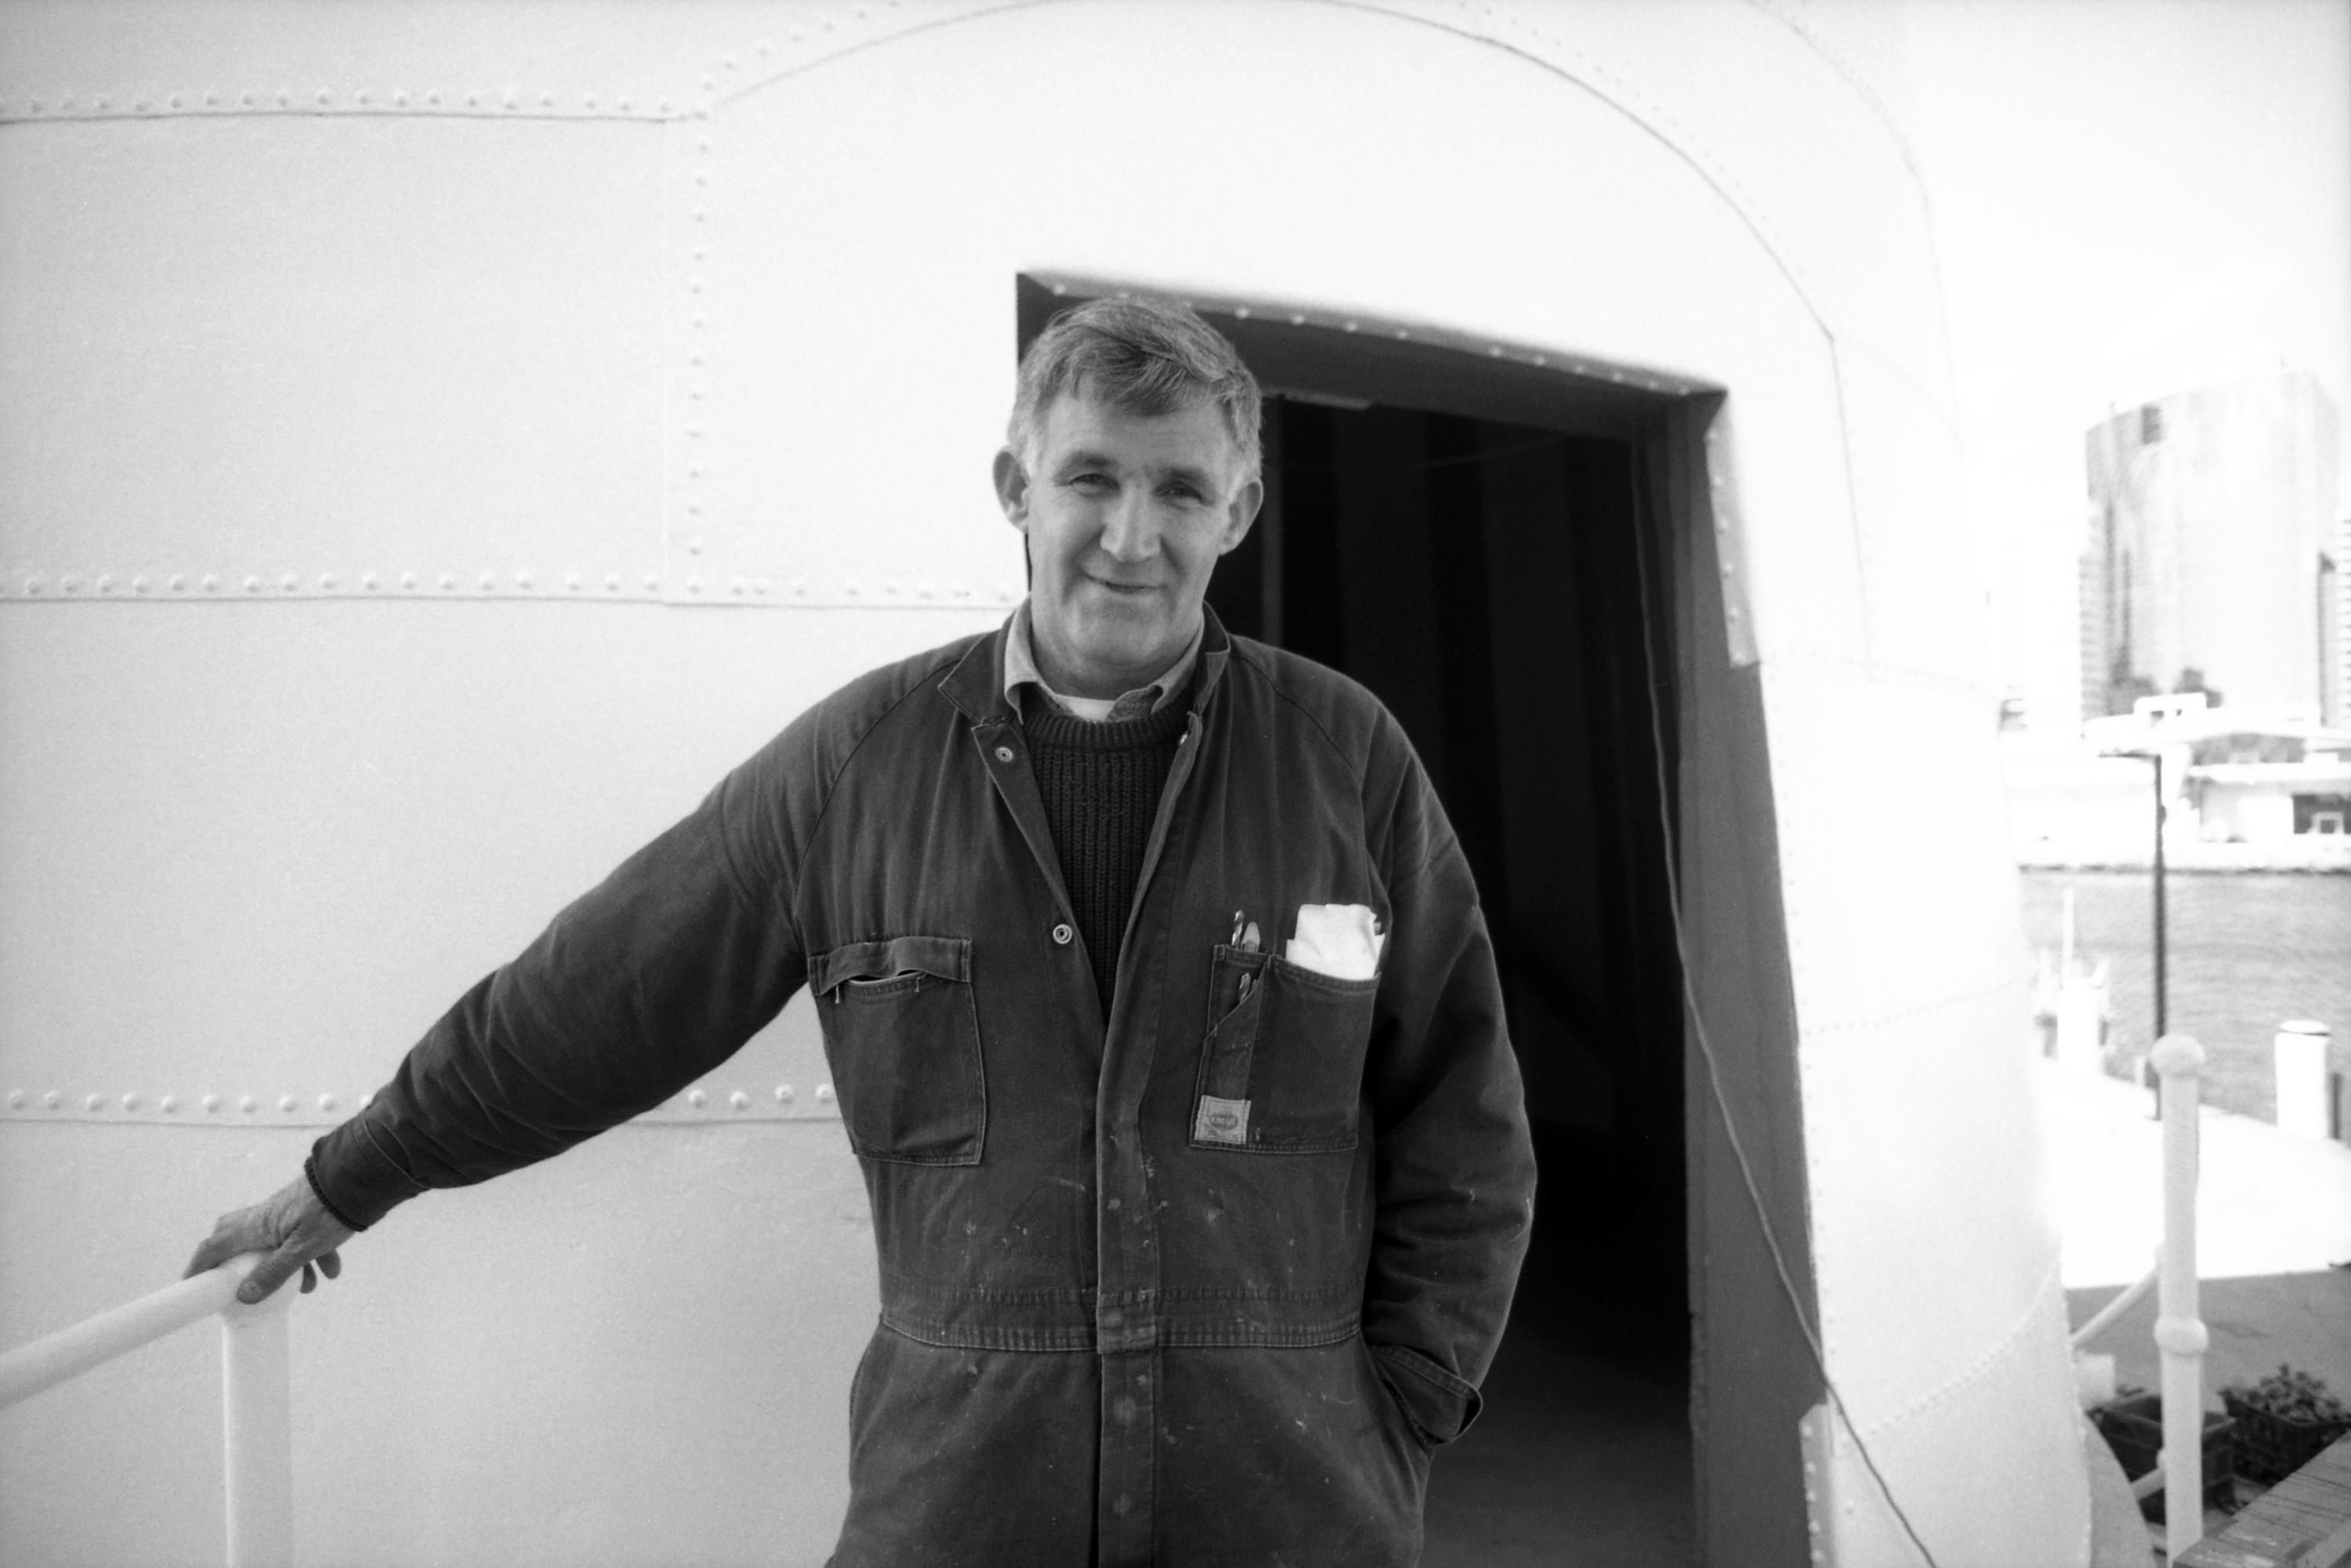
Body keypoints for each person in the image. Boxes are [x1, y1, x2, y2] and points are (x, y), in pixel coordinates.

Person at [186, 296, 1536, 1567]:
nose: (1133, 533)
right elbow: (590, 999)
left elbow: (1465, 1121)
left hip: (1289, 1510)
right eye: (1091, 479)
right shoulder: (858, 768)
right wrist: (346, 1176)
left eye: (1181, 488)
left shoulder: (1344, 758)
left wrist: (1406, 1403)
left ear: (1236, 507)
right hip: (958, 1504)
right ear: (1015, 487)